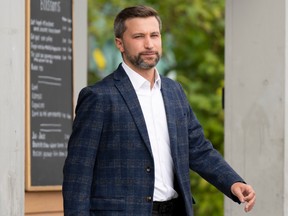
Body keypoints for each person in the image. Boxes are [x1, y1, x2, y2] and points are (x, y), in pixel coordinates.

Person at [62, 5, 256, 216]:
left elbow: (197, 148)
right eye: (138, 36)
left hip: (174, 210)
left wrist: (232, 182)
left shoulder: (174, 91)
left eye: (154, 35)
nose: (149, 44)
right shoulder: (99, 97)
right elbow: (78, 174)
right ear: (120, 43)